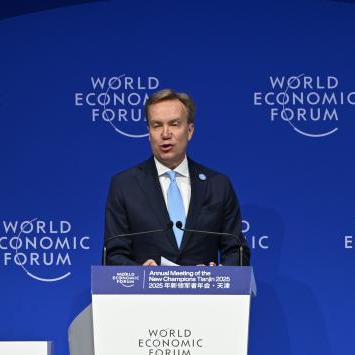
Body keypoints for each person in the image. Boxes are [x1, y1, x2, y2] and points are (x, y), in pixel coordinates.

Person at [102, 89, 250, 266]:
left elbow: (237, 250)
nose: (165, 134)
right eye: (157, 125)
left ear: (189, 131)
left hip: (205, 285)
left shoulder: (218, 185)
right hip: (146, 285)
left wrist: (219, 275)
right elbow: (113, 255)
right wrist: (140, 273)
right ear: (149, 132)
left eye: (174, 124)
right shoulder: (124, 185)